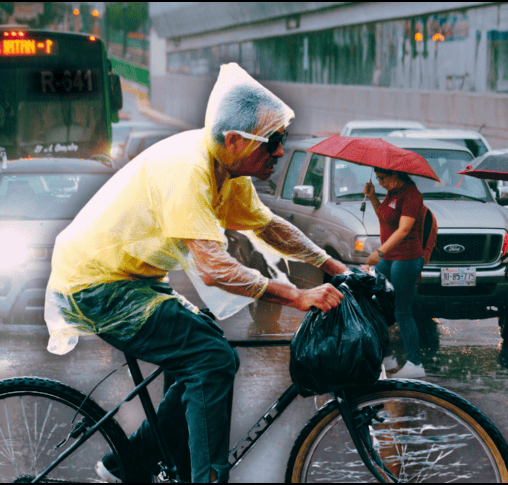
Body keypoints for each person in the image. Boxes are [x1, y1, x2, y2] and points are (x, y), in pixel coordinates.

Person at [44, 63, 347, 483]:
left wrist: (334, 266)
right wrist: (295, 296)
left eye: (283, 140)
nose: (280, 152)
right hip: (98, 285)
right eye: (274, 142)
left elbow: (269, 226)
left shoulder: (229, 169)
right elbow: (214, 267)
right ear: (235, 141)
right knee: (211, 358)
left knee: (202, 343)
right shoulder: (189, 170)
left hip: (135, 279)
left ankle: (130, 463)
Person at [362, 167, 426, 379]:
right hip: (390, 258)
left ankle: (415, 364)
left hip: (406, 258)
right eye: (378, 178)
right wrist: (373, 198)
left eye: (382, 178)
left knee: (401, 310)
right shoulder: (392, 192)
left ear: (395, 175)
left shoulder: (412, 195)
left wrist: (379, 252)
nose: (379, 182)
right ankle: (388, 358)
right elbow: (385, 218)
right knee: (374, 304)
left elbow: (404, 229)